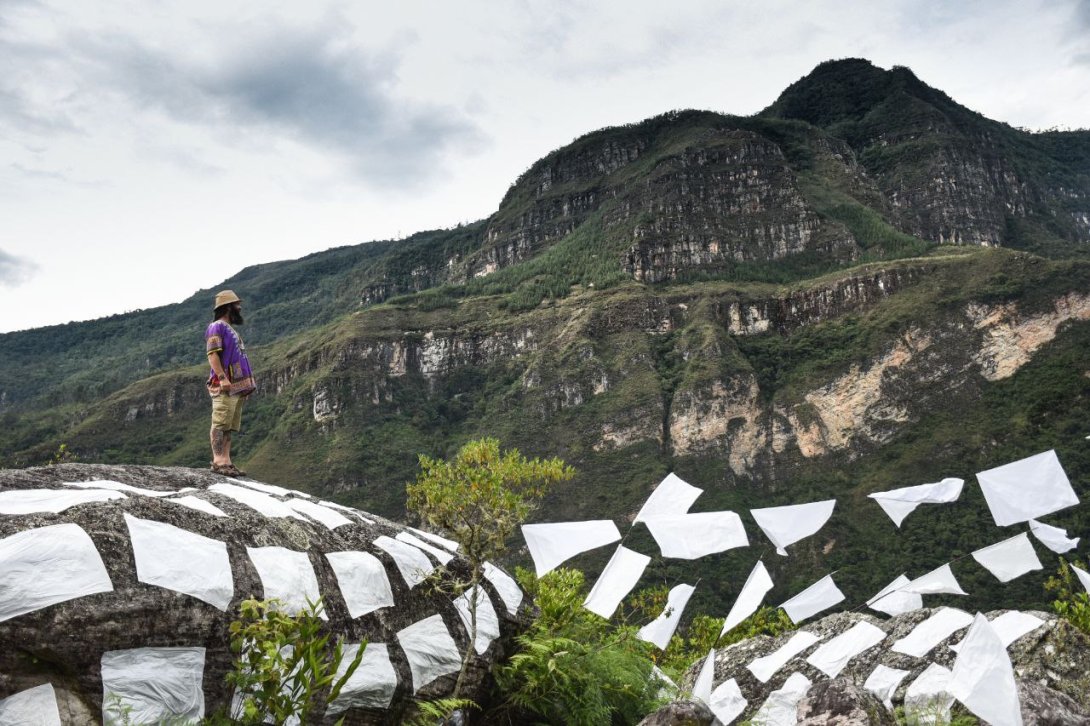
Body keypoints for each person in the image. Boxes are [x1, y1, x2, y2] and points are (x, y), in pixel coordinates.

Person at [205, 290, 256, 477]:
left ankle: (226, 461)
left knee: (228, 425)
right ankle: (218, 461)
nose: (240, 307)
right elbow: (212, 354)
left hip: (235, 387)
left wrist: (245, 386)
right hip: (225, 385)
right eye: (236, 304)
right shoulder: (216, 327)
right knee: (220, 422)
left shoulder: (229, 329)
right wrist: (222, 377)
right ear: (228, 307)